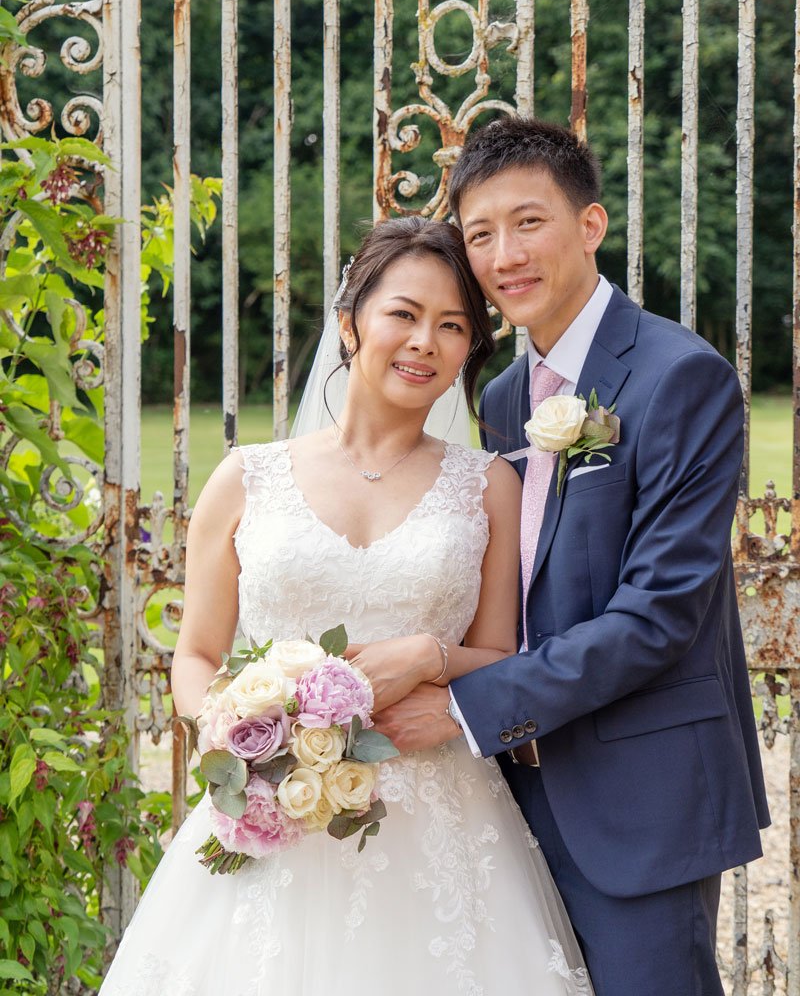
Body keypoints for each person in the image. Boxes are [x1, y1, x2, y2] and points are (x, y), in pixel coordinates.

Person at [100, 215, 592, 996]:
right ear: (349, 323)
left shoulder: (489, 485)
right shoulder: (244, 479)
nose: (425, 341)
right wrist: (236, 740)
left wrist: (430, 658)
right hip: (273, 809)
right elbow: (195, 656)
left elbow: (503, 658)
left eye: (452, 325)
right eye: (403, 313)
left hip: (437, 815)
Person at [373, 118, 770, 996]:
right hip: (512, 801)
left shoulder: (680, 378)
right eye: (480, 234)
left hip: (638, 797)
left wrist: (467, 706)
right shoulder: (508, 399)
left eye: (528, 223)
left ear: (589, 226)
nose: (504, 255)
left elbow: (659, 616)